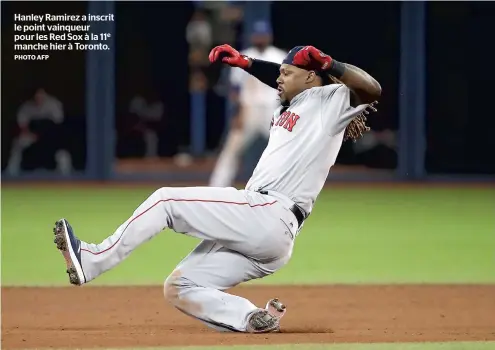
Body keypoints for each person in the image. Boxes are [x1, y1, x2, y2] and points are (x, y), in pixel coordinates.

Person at [53, 44, 381, 334]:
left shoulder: (329, 100)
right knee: (179, 286)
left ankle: (93, 259)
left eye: (287, 72)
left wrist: (330, 64)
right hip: (271, 237)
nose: (279, 78)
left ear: (310, 76)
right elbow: (283, 79)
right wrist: (247, 64)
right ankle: (251, 317)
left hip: (270, 213)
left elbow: (371, 89)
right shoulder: (297, 102)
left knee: (166, 200)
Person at [209, 20, 287, 187]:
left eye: (263, 35)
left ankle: (289, 188)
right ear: (253, 36)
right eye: (258, 35)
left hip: (272, 112)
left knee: (285, 150)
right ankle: (215, 188)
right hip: (248, 111)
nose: (260, 38)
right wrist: (237, 113)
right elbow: (235, 90)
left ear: (269, 36)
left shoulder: (279, 57)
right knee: (231, 152)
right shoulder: (243, 55)